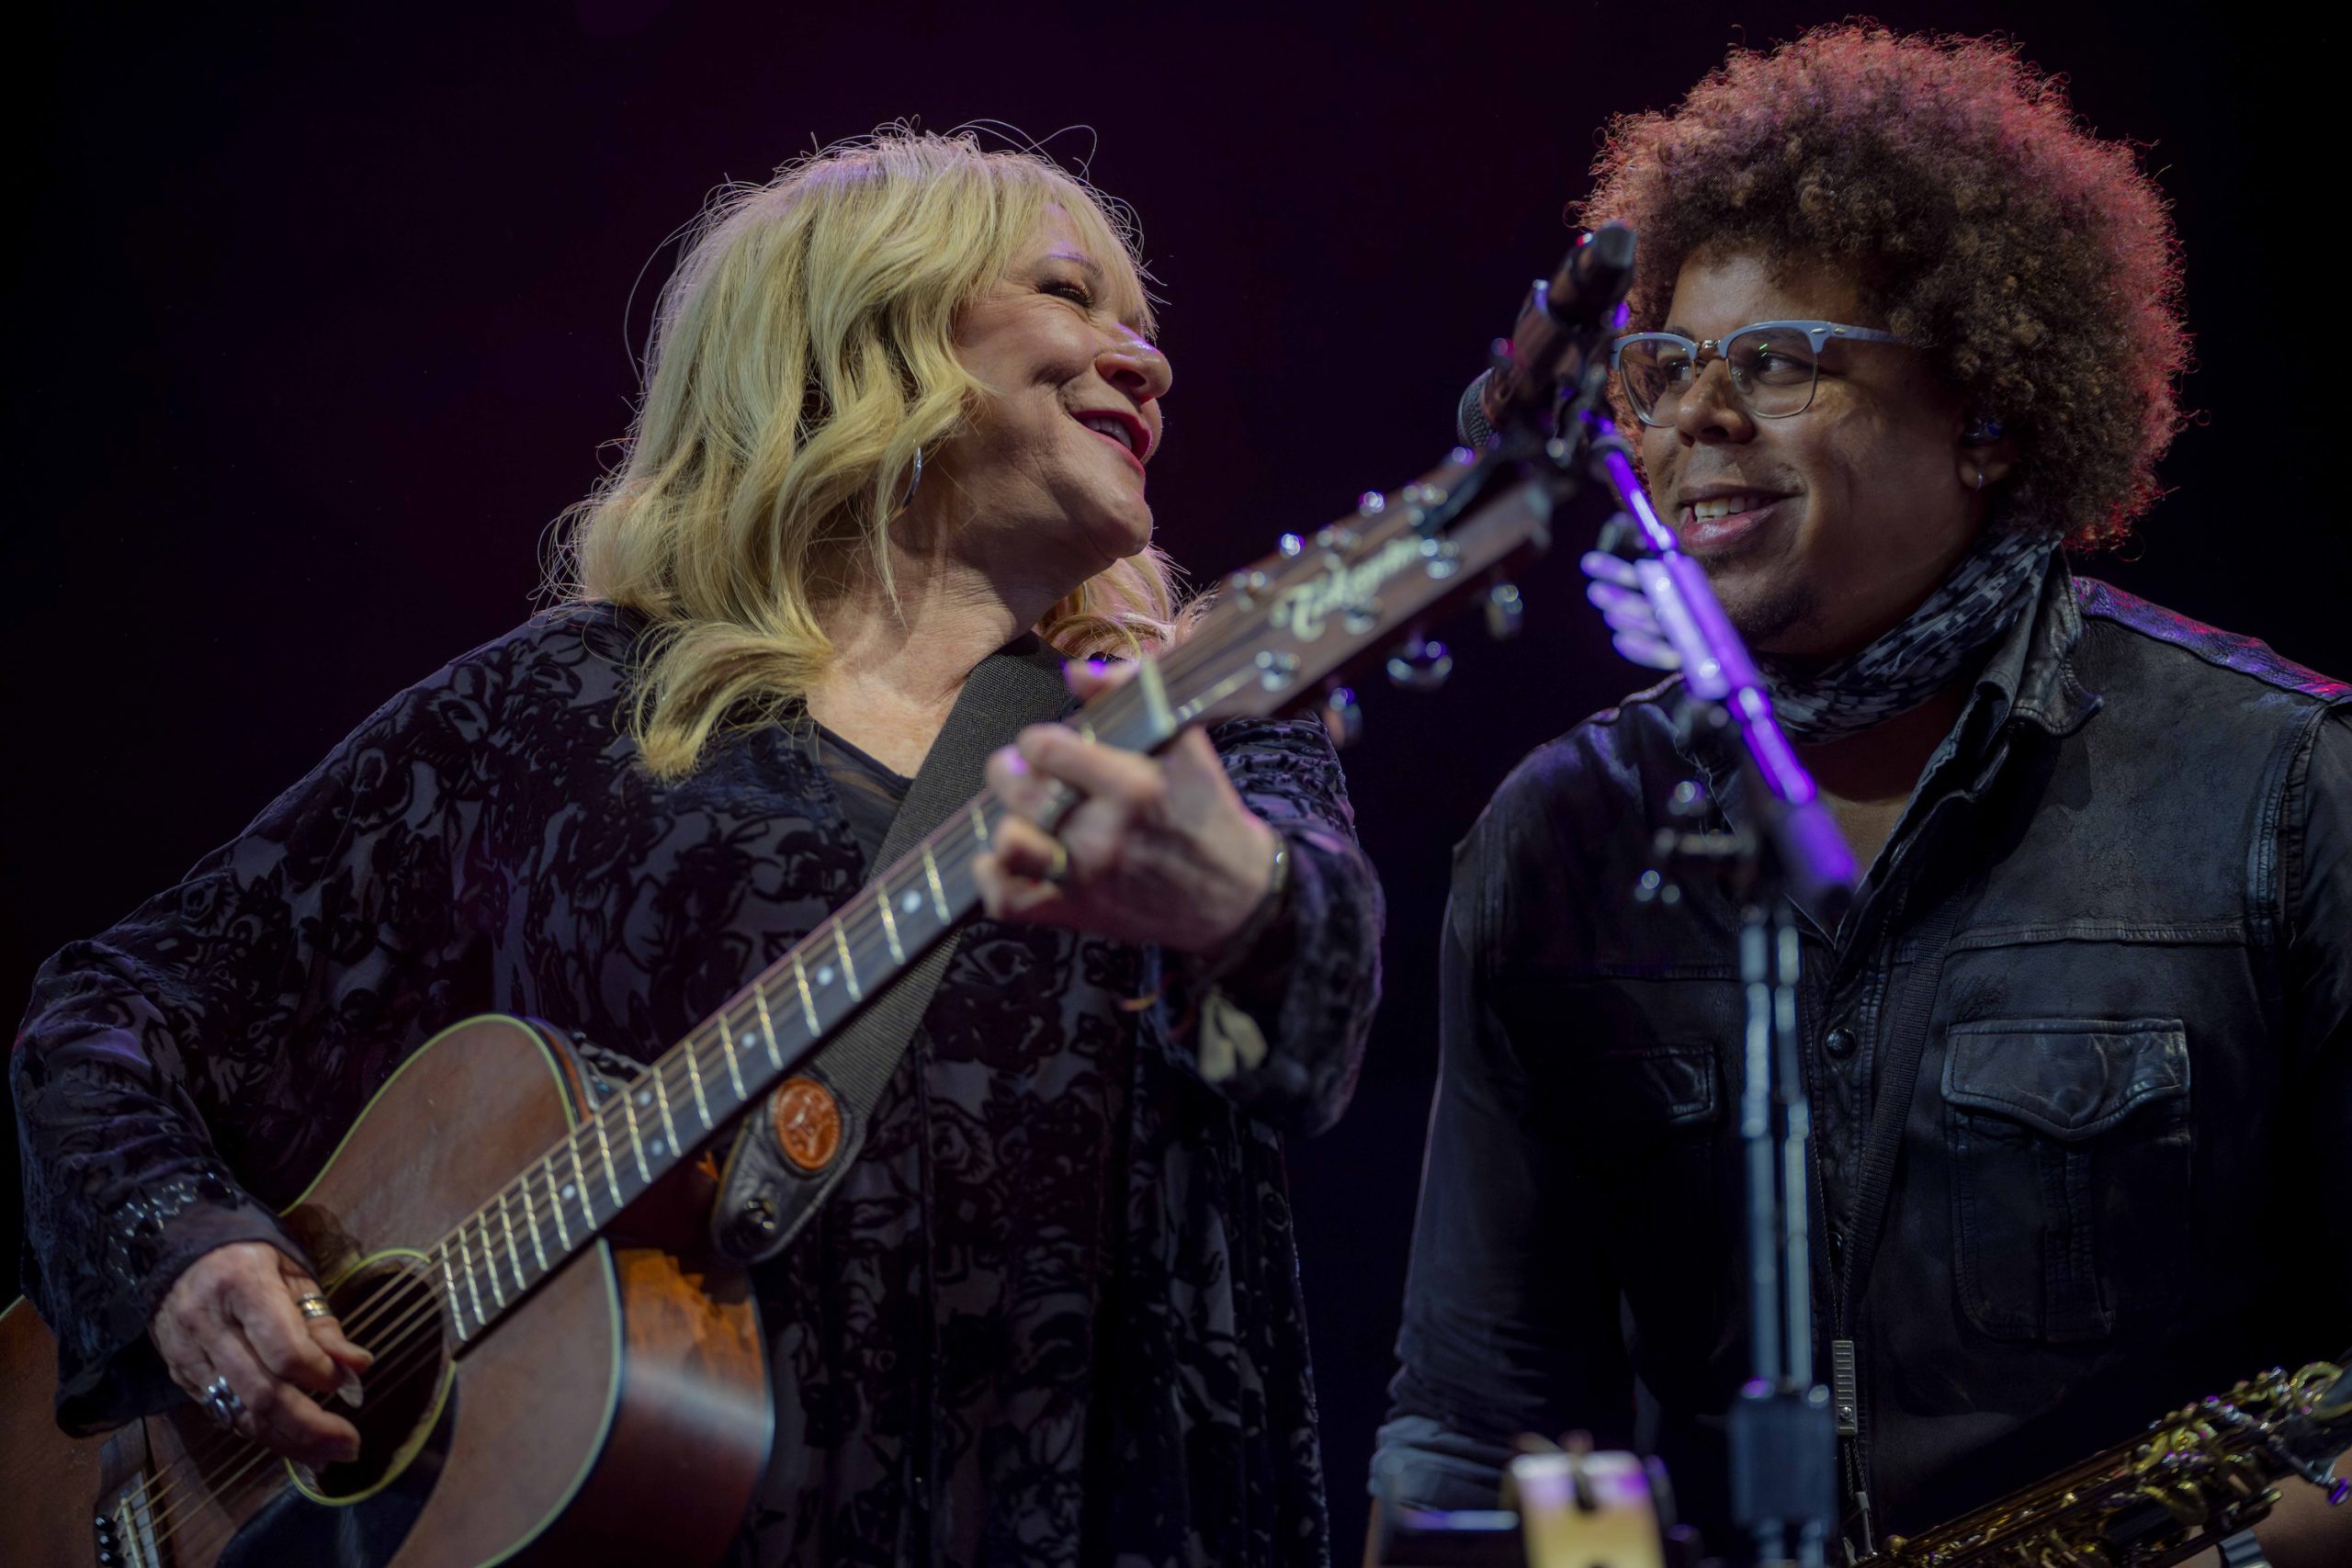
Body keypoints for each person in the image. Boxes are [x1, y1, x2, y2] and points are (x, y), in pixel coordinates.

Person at [13, 130, 1383, 1567]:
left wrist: (1248, 900)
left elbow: (1321, 1014)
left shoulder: (1189, 728)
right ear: (864, 328)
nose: (1145, 360)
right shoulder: (558, 709)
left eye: (1146, 329)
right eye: (1071, 295)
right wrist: (190, 1255)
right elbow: (111, 1017)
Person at [1374, 27, 2350, 1567]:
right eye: (1663, 367)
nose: (1696, 419)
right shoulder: (1555, 835)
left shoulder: (2283, 783)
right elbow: (1491, 1418)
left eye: (1774, 363)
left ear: (1989, 408)